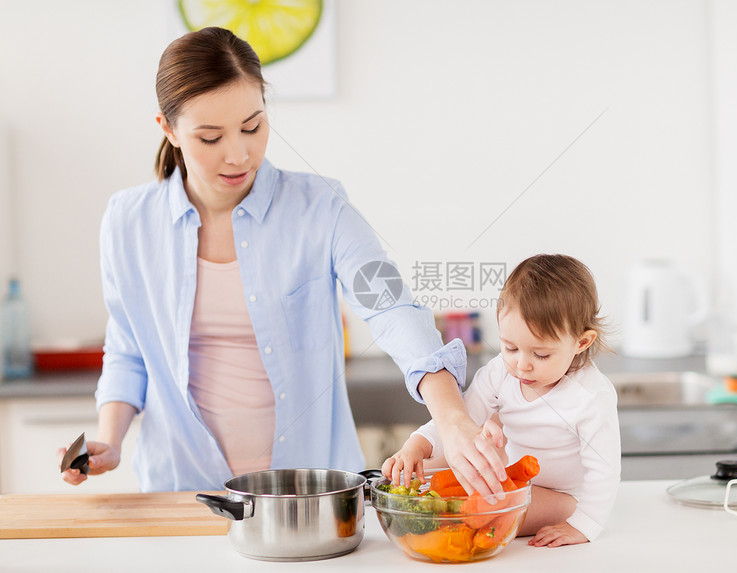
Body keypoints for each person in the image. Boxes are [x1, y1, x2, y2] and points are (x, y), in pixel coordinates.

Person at [57, 26, 506, 495]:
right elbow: (129, 348)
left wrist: (452, 418)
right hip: (182, 490)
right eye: (210, 138)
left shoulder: (322, 207)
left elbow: (391, 307)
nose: (239, 154)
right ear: (168, 129)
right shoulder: (128, 222)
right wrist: (108, 437)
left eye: (252, 126)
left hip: (311, 493)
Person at [382, 254, 621, 547]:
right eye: (510, 347)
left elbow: (605, 470)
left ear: (581, 342)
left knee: (480, 513)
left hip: (564, 498)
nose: (522, 365)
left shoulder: (590, 397)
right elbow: (460, 417)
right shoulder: (500, 372)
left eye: (541, 354)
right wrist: (418, 444)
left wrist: (584, 524)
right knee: (451, 482)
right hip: (516, 480)